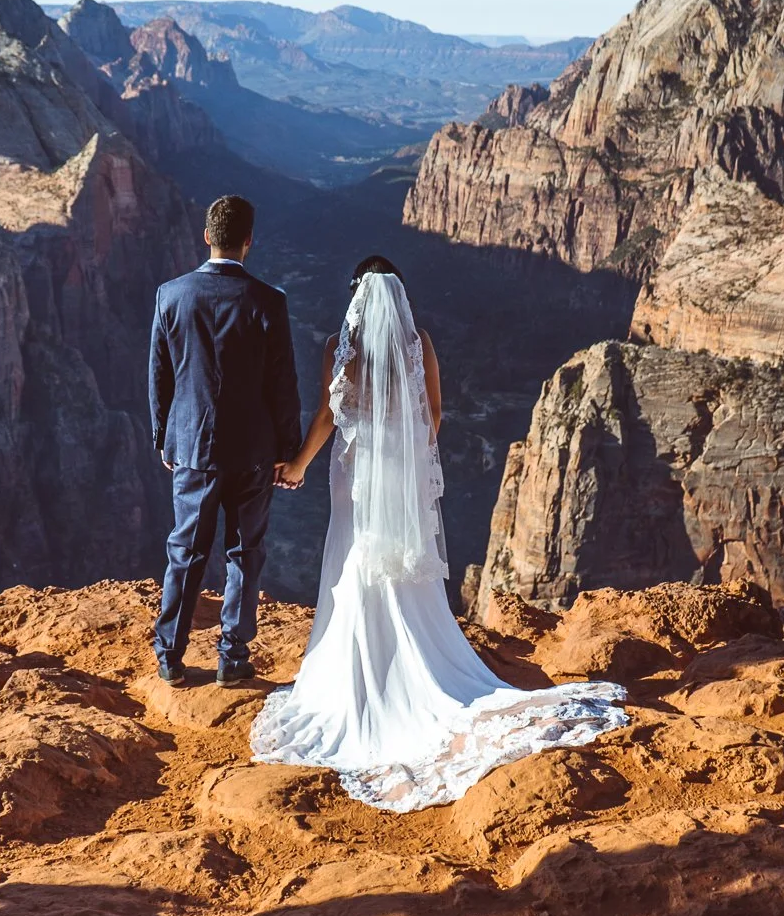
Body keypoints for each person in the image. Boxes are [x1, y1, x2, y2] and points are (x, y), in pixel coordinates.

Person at [250, 256, 626, 810]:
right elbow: (435, 412)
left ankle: (358, 670)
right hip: (397, 473)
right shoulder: (417, 341)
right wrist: (410, 466)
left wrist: (301, 464)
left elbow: (330, 417)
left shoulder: (339, 345)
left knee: (352, 558)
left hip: (354, 475)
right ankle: (417, 659)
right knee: (401, 558)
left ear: (355, 295)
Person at [148, 195, 302, 687]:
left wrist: (164, 440)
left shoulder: (170, 295)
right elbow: (283, 385)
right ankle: (232, 659)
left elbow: (159, 376)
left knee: (186, 550)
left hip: (191, 446)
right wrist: (288, 451)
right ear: (248, 242)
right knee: (244, 551)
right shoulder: (268, 301)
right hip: (255, 453)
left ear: (207, 236)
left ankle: (170, 657)